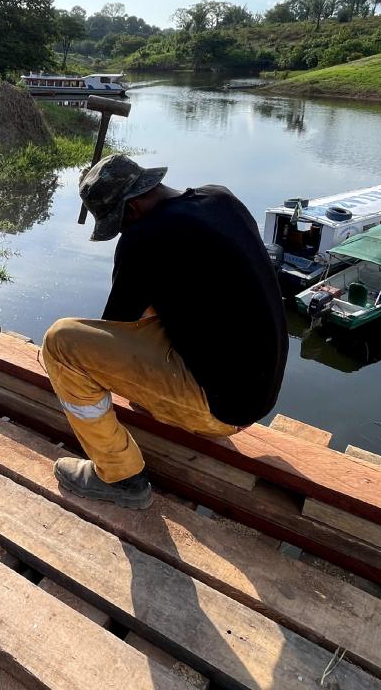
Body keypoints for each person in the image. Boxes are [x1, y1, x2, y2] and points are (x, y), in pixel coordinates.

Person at [41, 154, 288, 509]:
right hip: (256, 393)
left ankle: (119, 475)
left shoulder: (143, 237)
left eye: (119, 224)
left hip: (220, 411)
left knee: (61, 343)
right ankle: (158, 400)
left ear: (133, 209)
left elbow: (115, 329)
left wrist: (66, 371)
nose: (122, 233)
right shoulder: (221, 198)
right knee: (170, 304)